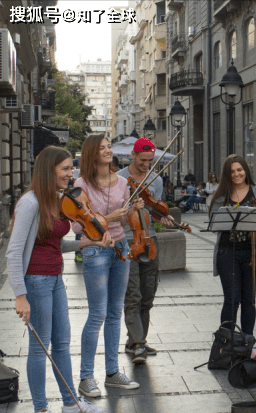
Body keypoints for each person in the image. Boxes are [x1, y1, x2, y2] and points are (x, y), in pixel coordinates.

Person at [6, 146, 109, 413]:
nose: (70, 173)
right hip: (36, 281)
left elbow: (53, 244)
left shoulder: (55, 199)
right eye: (65, 168)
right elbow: (14, 251)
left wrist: (84, 243)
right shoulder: (30, 202)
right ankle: (41, 408)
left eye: (71, 167)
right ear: (48, 170)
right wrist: (20, 295)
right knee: (40, 348)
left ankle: (71, 403)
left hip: (54, 279)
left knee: (62, 344)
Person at [73, 134, 144, 397]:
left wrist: (132, 211)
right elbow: (76, 225)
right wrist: (108, 216)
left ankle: (113, 373)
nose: (107, 150)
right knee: (97, 315)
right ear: (92, 153)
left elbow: (124, 224)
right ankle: (86, 377)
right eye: (101, 148)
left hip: (120, 248)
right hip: (94, 250)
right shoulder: (81, 185)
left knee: (115, 313)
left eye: (108, 146)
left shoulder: (124, 183)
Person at [117, 137, 173, 364]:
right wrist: (131, 207)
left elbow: (155, 210)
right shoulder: (119, 179)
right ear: (133, 155)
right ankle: (137, 343)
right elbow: (115, 214)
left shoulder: (154, 180)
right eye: (143, 160)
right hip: (127, 240)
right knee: (133, 295)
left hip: (149, 240)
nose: (146, 165)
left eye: (150, 161)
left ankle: (136, 340)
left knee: (148, 294)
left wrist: (163, 215)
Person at [210, 154, 256, 336]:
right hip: (228, 251)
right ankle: (226, 344)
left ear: (245, 171)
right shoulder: (220, 196)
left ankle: (247, 342)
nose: (236, 174)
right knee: (232, 300)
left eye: (239, 170)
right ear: (227, 174)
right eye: (232, 171)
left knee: (249, 300)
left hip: (253, 253)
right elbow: (214, 226)